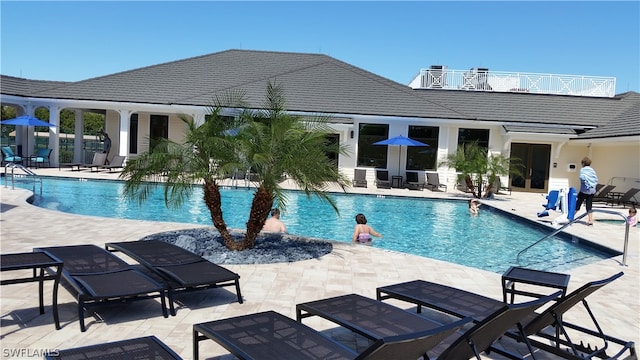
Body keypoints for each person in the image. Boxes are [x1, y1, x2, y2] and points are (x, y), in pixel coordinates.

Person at [575, 157, 598, 226]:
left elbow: (582, 177)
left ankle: (571, 217)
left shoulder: (583, 170)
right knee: (589, 205)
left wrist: (585, 182)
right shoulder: (592, 170)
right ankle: (590, 220)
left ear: (583, 163)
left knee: (578, 203)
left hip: (585, 190)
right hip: (592, 190)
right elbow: (595, 179)